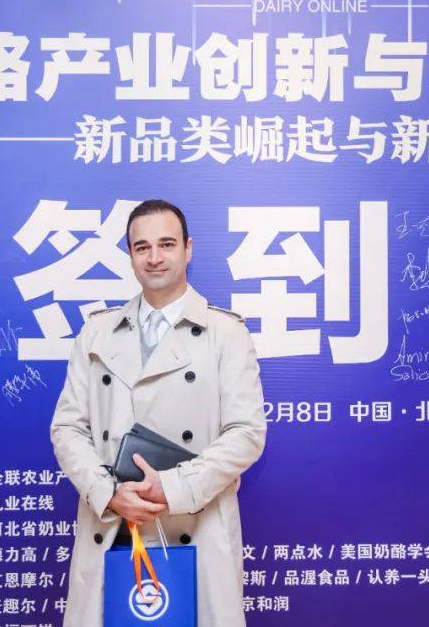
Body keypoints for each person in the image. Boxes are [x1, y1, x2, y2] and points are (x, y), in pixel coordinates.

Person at [50, 199, 267, 626]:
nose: (154, 258)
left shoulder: (226, 332)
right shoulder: (96, 331)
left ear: (188, 249)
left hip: (195, 526)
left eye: (166, 244)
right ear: (130, 255)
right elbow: (68, 428)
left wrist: (171, 487)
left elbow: (246, 433)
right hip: (111, 525)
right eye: (142, 247)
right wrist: (108, 494)